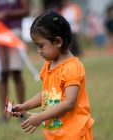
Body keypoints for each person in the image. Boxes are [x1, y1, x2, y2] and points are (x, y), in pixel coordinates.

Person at [12, 11, 94, 140]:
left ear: (58, 42)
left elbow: (69, 103)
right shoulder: (48, 65)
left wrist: (41, 116)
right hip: (55, 133)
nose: (39, 51)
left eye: (41, 46)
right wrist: (25, 106)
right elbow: (47, 93)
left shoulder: (72, 67)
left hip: (74, 134)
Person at [0, 0, 30, 123]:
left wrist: (7, 14)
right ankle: (5, 114)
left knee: (16, 73)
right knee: (2, 75)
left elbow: (26, 10)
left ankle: (22, 113)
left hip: (14, 34)